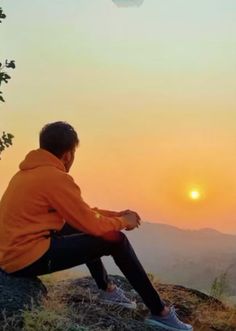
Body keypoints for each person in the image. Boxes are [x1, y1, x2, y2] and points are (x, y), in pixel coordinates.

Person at [0, 121, 193, 331]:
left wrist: (117, 214)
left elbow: (80, 212)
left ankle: (107, 289)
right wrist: (121, 223)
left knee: (81, 226)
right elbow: (93, 224)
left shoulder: (27, 173)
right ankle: (160, 313)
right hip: (23, 258)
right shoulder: (55, 178)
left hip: (11, 252)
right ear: (68, 155)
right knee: (115, 240)